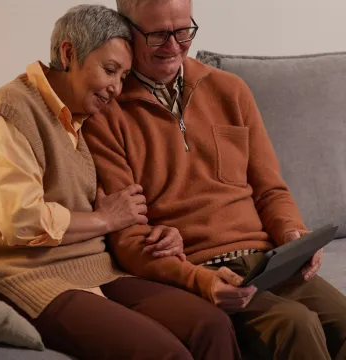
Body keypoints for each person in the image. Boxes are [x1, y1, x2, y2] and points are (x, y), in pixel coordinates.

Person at [0, 4, 241, 360]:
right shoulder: (11, 114)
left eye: (123, 76)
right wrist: (105, 220)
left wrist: (160, 234)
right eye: (109, 70)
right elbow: (20, 221)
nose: (116, 88)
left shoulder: (80, 120)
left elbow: (112, 210)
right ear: (68, 54)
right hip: (19, 278)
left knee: (212, 324)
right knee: (161, 353)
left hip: (95, 267)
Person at [82, 0, 346, 359]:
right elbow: (128, 238)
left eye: (183, 30)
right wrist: (197, 279)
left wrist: (292, 235)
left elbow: (270, 189)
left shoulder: (230, 90)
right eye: (158, 34)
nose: (174, 46)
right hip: (197, 269)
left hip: (269, 260)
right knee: (295, 325)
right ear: (126, 32)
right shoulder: (106, 113)